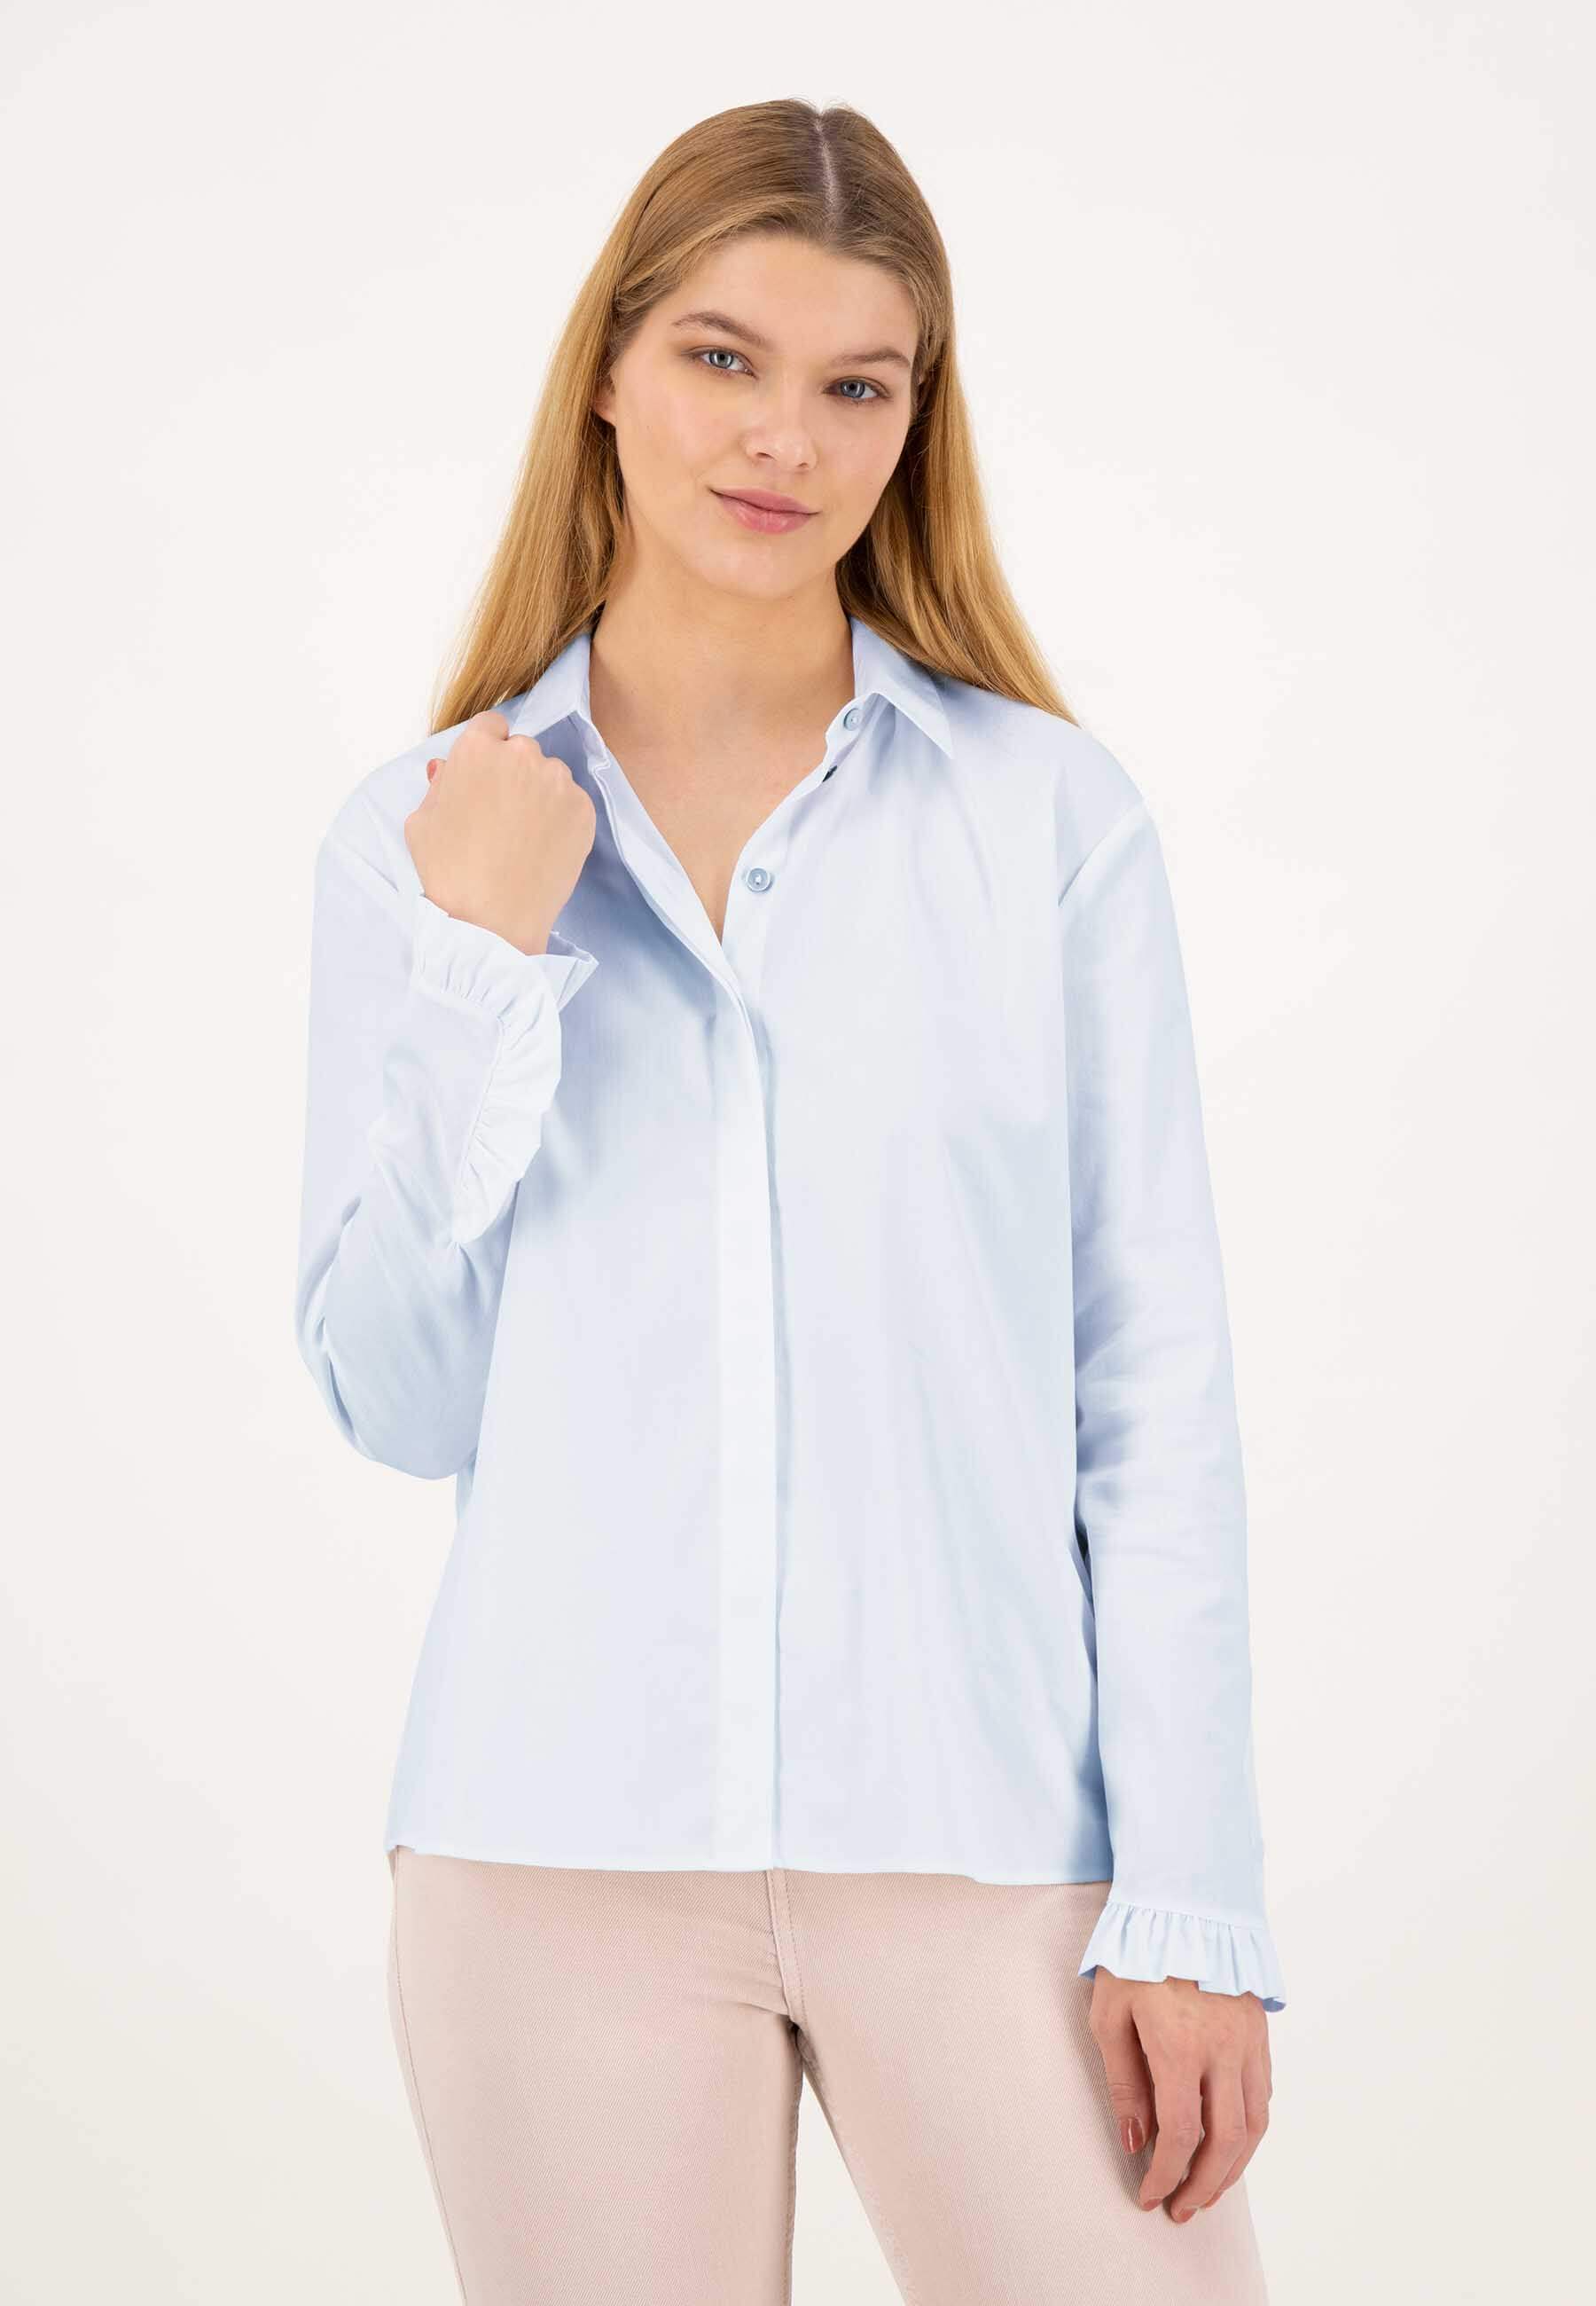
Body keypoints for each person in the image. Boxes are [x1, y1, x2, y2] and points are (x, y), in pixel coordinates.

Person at [293, 96, 1285, 2306]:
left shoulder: (1045, 823)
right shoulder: (426, 836)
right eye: (724, 357)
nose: (785, 438)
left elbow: (1154, 1392)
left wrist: (1195, 1895)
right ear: (610, 370)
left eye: (859, 384)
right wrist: (478, 968)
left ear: (917, 423)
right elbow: (398, 1397)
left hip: (993, 1840)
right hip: (552, 1850)